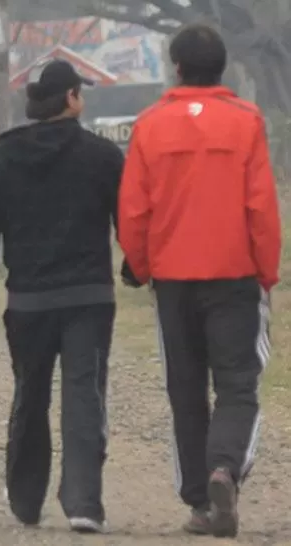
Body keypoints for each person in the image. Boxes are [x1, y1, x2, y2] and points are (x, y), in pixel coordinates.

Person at [118, 23, 281, 538]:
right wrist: (267, 272)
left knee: (185, 389)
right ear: (224, 67)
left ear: (177, 67)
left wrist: (141, 266)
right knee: (238, 385)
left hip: (173, 281)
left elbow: (134, 211)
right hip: (234, 275)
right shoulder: (246, 121)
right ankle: (224, 470)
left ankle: (198, 502)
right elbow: (261, 206)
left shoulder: (149, 125)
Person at [0, 59, 125, 534]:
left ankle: (26, 499)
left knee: (30, 395)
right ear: (72, 99)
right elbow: (128, 221)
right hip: (89, 299)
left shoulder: (0, 161)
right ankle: (83, 504)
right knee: (83, 396)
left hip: (28, 302)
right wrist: (137, 267)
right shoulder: (102, 156)